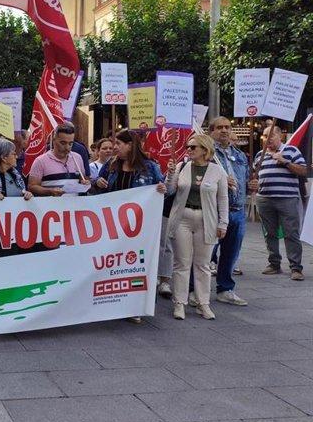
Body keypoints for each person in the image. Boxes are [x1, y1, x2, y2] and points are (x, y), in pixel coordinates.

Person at [93, 129, 167, 324]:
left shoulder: (150, 167)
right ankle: (111, 302)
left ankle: (134, 306)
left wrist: (162, 189)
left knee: (135, 266)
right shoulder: (111, 165)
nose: (115, 148)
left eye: (119, 144)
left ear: (131, 145)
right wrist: (97, 183)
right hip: (112, 226)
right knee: (113, 264)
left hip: (139, 229)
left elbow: (164, 191)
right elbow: (97, 188)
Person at [166, 134, 229, 321]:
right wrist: (170, 174)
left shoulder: (218, 171)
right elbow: (170, 191)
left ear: (205, 150)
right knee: (181, 263)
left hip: (206, 220)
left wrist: (223, 223)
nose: (189, 150)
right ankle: (179, 303)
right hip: (182, 218)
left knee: (203, 264)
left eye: (193, 147)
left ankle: (203, 303)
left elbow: (223, 199)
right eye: (188, 146)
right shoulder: (182, 166)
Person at [249, 125, 307, 280]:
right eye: (264, 136)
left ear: (280, 136)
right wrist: (253, 183)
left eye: (270, 135)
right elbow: (255, 176)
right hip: (265, 199)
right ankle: (274, 264)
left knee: (291, 233)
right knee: (270, 233)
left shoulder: (292, 151)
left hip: (287, 199)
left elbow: (303, 170)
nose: (266, 139)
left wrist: (285, 162)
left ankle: (296, 268)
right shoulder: (260, 155)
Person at [208, 117, 249, 305]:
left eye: (227, 127)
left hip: (238, 210)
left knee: (231, 253)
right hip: (215, 210)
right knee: (206, 253)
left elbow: (245, 180)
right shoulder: (207, 154)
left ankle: (225, 289)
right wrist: (222, 182)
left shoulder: (239, 155)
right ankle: (193, 290)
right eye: (219, 128)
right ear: (211, 131)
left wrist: (252, 185)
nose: (224, 131)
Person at [27, 123, 90, 197]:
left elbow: (82, 179)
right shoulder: (40, 161)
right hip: (51, 207)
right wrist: (49, 191)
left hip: (73, 207)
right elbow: (32, 187)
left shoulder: (77, 158)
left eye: (70, 144)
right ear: (54, 140)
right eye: (63, 143)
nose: (67, 147)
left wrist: (85, 183)